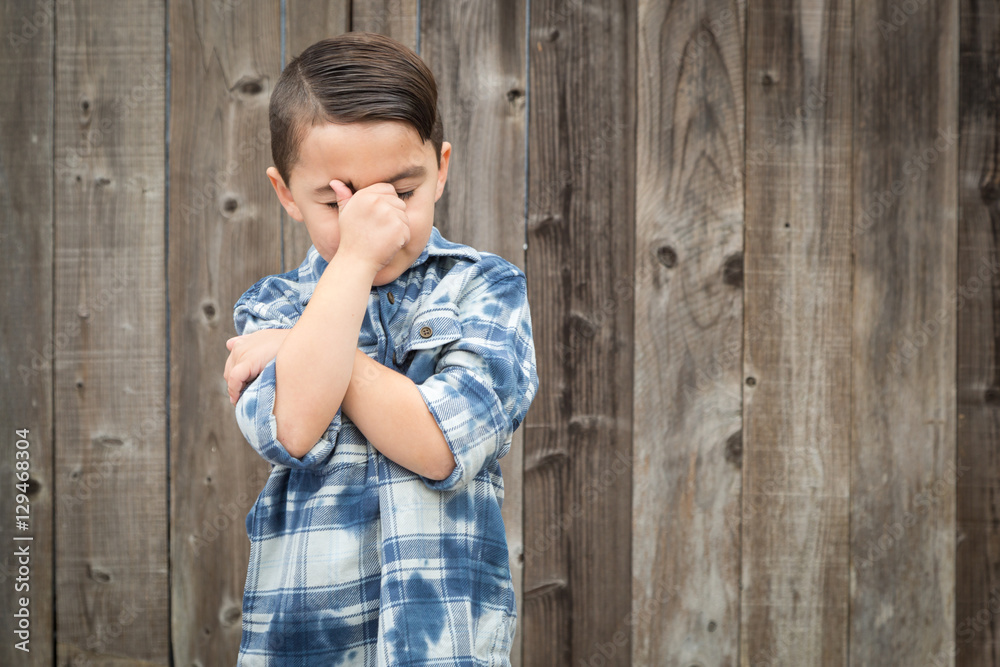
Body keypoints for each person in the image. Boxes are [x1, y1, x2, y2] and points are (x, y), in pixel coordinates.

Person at [222, 31, 538, 666]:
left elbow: (441, 446)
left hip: (444, 646)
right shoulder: (272, 309)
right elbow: (293, 430)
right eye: (339, 201)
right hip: (307, 645)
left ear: (441, 169)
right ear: (286, 194)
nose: (376, 223)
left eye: (400, 193)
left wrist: (297, 348)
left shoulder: (485, 289)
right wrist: (353, 266)